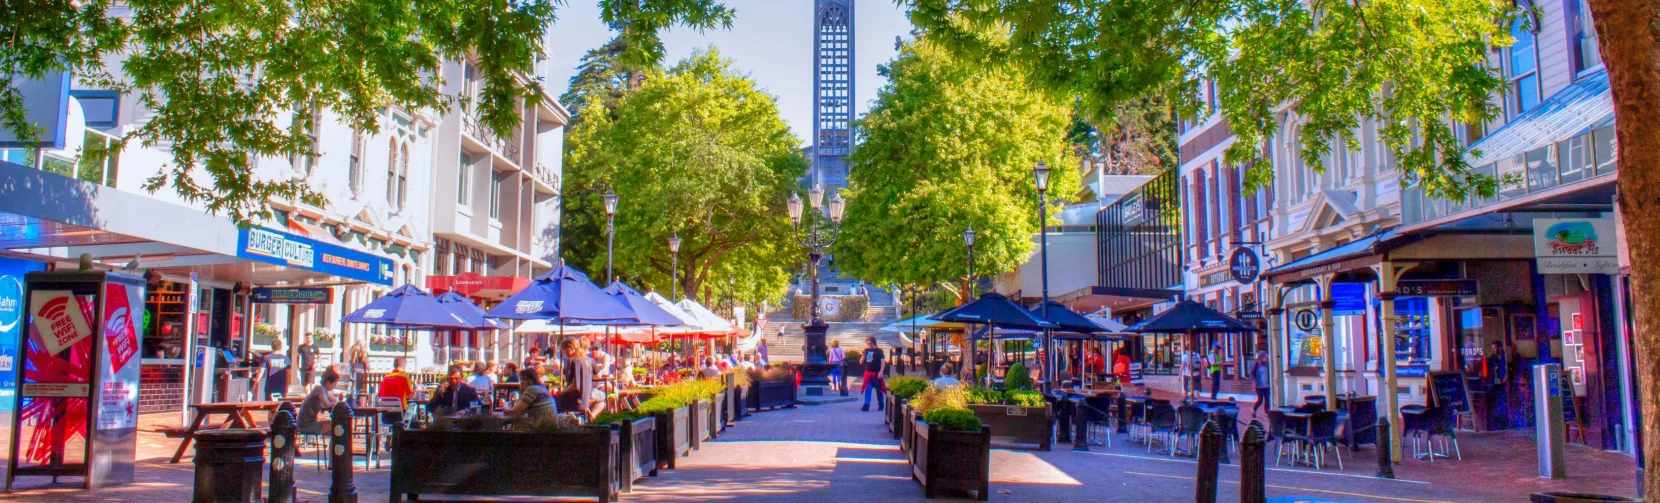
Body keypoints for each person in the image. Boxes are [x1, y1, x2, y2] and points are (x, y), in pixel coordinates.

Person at [561, 339, 604, 418]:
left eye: (564, 350)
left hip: (576, 401)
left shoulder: (572, 360)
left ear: (569, 349)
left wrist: (563, 392)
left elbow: (575, 385)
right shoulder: (586, 360)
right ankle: (589, 417)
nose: (564, 353)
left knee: (552, 402)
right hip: (585, 399)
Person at [297, 369, 341, 435]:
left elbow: (335, 401)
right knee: (335, 425)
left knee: (335, 426)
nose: (334, 387)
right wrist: (336, 404)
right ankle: (334, 444)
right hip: (306, 424)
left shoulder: (324, 390)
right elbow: (327, 404)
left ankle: (333, 444)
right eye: (334, 384)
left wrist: (336, 402)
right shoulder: (319, 389)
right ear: (328, 382)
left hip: (308, 422)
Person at [860, 336, 887, 412]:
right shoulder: (866, 351)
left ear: (874, 343)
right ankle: (866, 404)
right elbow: (861, 362)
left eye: (870, 343)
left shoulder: (879, 351)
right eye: (868, 343)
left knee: (879, 389)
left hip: (876, 373)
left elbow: (882, 362)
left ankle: (881, 403)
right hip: (868, 373)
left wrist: (881, 371)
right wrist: (863, 355)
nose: (869, 345)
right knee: (867, 389)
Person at [1250, 351, 1272, 417]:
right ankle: (1254, 409)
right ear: (1261, 358)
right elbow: (1252, 375)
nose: (1267, 358)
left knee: (1267, 399)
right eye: (1265, 357)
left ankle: (1266, 413)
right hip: (1259, 386)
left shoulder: (1268, 365)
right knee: (1260, 400)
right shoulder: (1256, 365)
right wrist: (1254, 383)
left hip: (1266, 385)